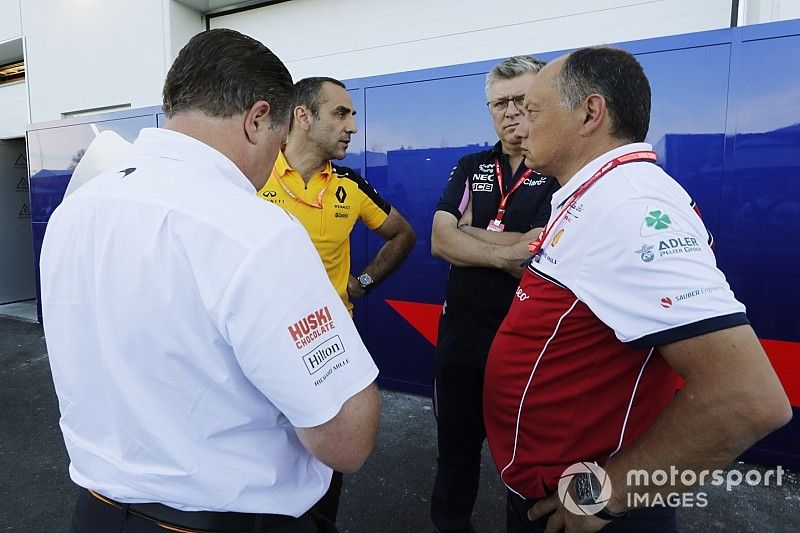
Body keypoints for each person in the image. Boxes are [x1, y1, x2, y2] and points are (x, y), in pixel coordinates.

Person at [40, 29, 381, 533]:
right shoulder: (256, 231)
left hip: (96, 511)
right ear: (258, 119)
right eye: (281, 138)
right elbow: (348, 439)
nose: (275, 161)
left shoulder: (75, 211)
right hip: (227, 519)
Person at [483, 46, 792, 533]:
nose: (520, 122)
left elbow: (747, 398)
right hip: (547, 486)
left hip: (583, 505)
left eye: (534, 108)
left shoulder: (627, 206)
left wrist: (604, 498)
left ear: (590, 112)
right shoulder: (597, 195)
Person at [429, 56, 559, 533]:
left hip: (528, 352)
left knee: (527, 469)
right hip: (461, 345)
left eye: (521, 101)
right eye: (498, 103)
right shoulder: (471, 166)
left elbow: (542, 247)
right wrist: (509, 252)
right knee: (454, 458)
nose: (510, 112)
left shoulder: (560, 170)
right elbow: (441, 239)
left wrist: (474, 236)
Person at [257, 76, 415, 316]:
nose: (353, 127)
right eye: (341, 114)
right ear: (303, 117)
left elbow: (403, 233)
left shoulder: (350, 184)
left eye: (352, 115)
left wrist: (365, 280)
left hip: (334, 331)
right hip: (268, 328)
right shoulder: (255, 175)